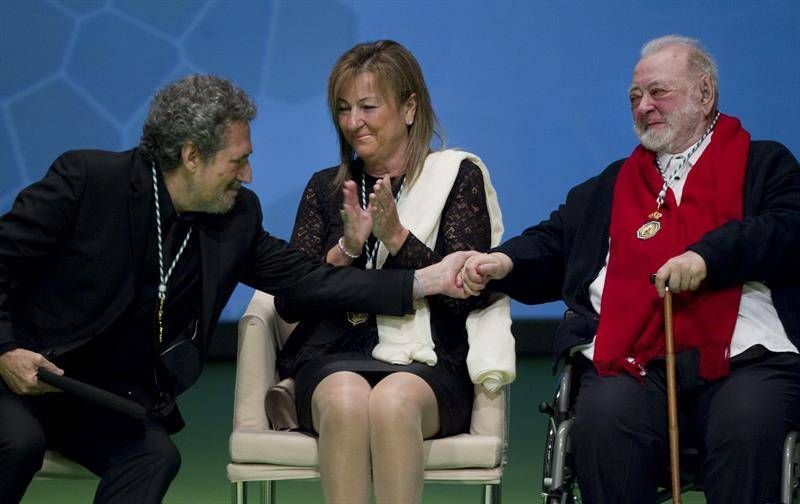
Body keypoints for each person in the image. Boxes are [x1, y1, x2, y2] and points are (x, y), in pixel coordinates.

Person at [0, 74, 470, 504]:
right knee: (19, 443)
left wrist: (418, 282)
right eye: (238, 161)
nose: (247, 175)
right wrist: (6, 350)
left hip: (99, 398)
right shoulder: (88, 180)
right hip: (19, 378)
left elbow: (311, 280)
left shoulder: (234, 217)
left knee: (154, 456)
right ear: (190, 156)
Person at [461, 35, 800, 503]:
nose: (643, 106)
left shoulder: (764, 163)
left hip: (744, 352)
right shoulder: (612, 183)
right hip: (633, 356)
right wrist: (503, 261)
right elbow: (554, 240)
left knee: (748, 422)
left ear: (705, 94)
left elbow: (784, 229)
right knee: (603, 420)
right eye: (635, 97)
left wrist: (706, 258)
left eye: (658, 92)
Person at [272, 40, 513, 504]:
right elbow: (290, 301)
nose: (352, 122)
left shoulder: (456, 178)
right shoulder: (326, 189)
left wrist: (398, 239)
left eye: (368, 106)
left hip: (431, 361)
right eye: (343, 109)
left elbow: (467, 290)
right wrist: (346, 249)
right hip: (333, 353)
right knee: (344, 402)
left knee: (392, 402)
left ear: (409, 108)